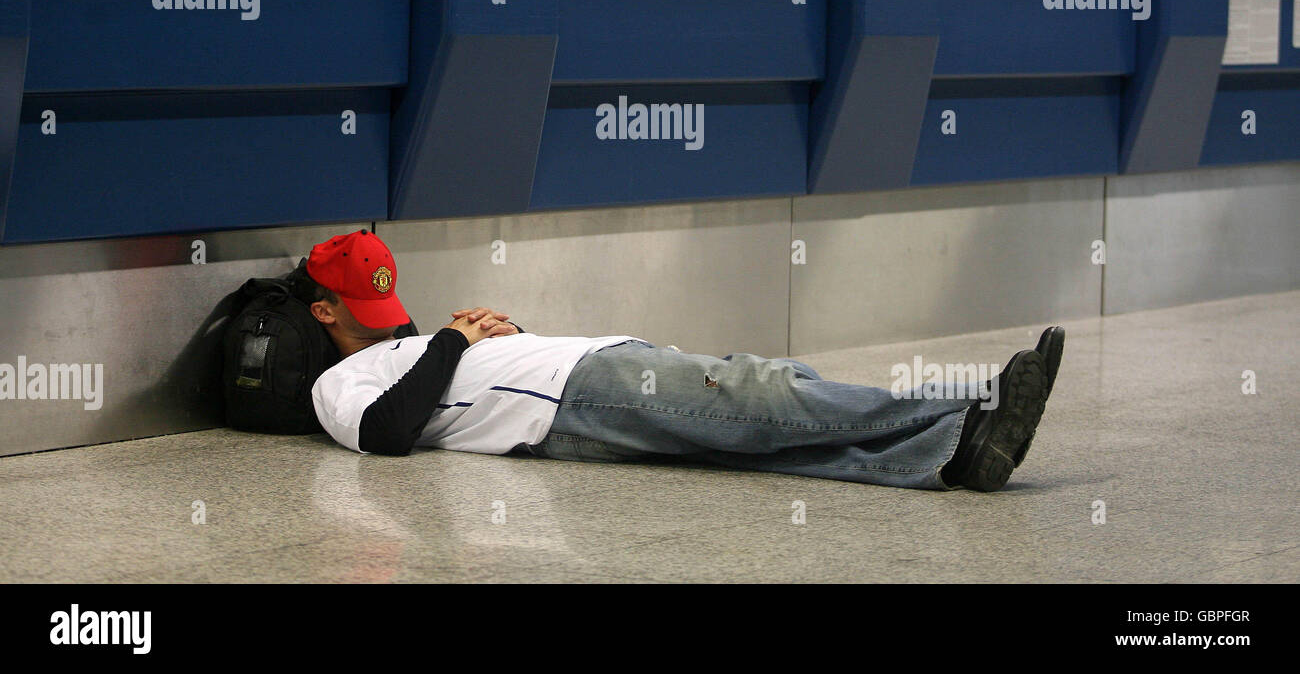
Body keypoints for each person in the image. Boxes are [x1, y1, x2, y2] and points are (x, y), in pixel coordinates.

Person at [306, 229, 1064, 492]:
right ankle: (971, 405)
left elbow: (469, 385)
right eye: (366, 311)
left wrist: (503, 332)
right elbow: (384, 435)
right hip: (577, 394)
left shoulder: (412, 344)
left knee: (755, 443)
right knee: (758, 392)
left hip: (585, 380)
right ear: (324, 311)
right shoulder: (338, 380)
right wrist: (453, 343)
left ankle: (951, 460)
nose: (391, 319)